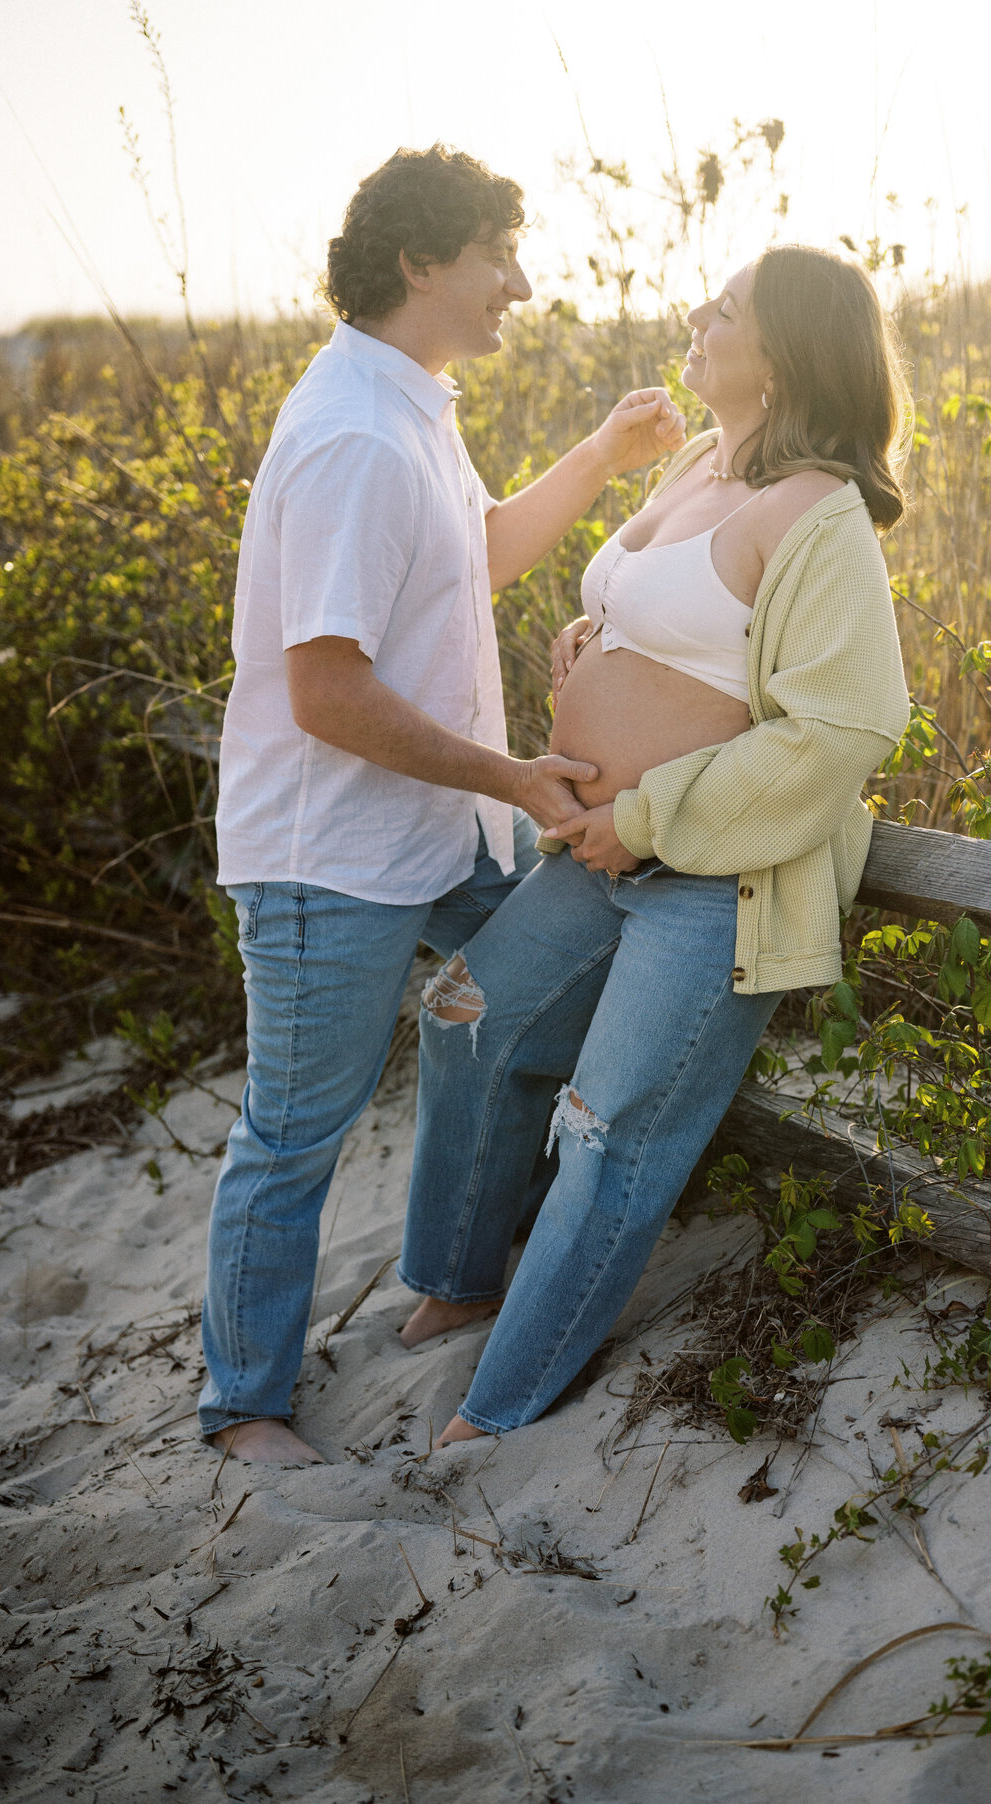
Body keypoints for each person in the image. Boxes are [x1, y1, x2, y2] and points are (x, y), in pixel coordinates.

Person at [202, 144, 685, 1465]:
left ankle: (457, 1273)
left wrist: (601, 452)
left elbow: (472, 559)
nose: (519, 285)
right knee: (295, 1136)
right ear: (423, 261)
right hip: (333, 858)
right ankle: (244, 1406)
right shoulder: (353, 435)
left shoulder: (409, 397)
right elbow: (325, 694)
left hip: (438, 834)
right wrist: (515, 776)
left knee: (512, 1001)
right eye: (497, 256)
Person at [397, 243, 913, 1444]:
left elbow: (841, 727)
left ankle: (501, 1401)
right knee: (467, 1015)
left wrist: (639, 815)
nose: (695, 315)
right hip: (593, 857)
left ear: (781, 353)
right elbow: (664, 611)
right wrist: (594, 633)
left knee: (609, 1130)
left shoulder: (824, 519)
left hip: (708, 882)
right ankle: (463, 1274)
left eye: (722, 309)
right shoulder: (695, 462)